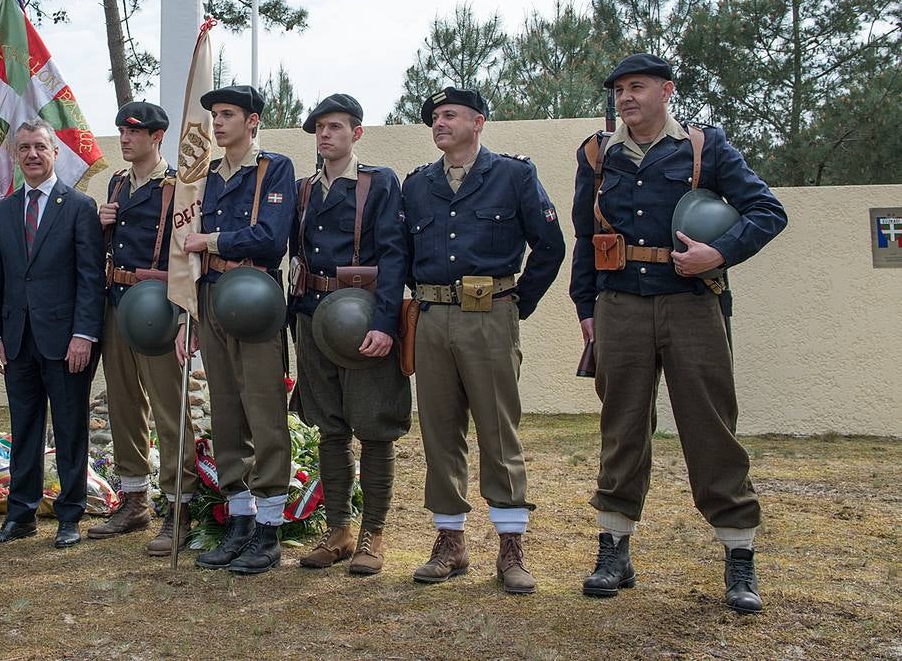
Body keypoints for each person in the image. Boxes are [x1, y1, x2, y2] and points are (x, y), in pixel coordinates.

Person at [569, 53, 787, 613]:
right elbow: (584, 235)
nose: (626, 98)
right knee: (621, 426)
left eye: (637, 87)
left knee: (710, 425)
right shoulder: (596, 155)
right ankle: (613, 548)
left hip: (693, 304)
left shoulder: (703, 147)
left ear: (667, 90)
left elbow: (767, 210)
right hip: (619, 307)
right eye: (619, 90)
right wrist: (585, 307)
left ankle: (739, 554)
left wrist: (720, 252)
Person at [402, 87, 565, 594]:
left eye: (450, 114)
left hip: (490, 314)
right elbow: (401, 253)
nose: (439, 122)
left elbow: (551, 246)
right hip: (431, 319)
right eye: (434, 117)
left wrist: (516, 304)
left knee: (498, 430)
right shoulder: (417, 185)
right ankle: (450, 541)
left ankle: (511, 546)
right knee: (439, 432)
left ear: (479, 121)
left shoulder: (514, 176)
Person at [289, 94, 410, 576]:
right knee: (330, 426)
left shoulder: (378, 183)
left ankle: (373, 534)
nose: (325, 135)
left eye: (335, 127)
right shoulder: (302, 190)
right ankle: (338, 529)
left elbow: (395, 254)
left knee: (375, 425)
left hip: (363, 318)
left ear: (356, 133)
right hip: (313, 316)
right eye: (319, 127)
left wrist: (385, 323)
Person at [178, 84, 296, 575]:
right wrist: (189, 313)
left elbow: (271, 238)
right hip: (212, 298)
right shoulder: (202, 178)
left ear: (252, 121)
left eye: (228, 114)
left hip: (254, 297)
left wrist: (212, 239)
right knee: (226, 410)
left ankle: (269, 530)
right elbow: (181, 249)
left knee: (263, 411)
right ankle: (241, 521)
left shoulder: (274, 169)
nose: (218, 123)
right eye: (214, 115)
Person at [0, 119, 104, 550]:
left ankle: (70, 515)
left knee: (70, 429)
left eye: (40, 147)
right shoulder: (3, 210)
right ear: (15, 155)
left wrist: (84, 334)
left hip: (66, 341)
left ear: (55, 152)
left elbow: (91, 278)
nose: (32, 154)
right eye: (24, 148)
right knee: (24, 428)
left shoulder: (79, 207)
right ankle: (21, 515)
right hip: (17, 341)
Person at [87, 102, 199, 555]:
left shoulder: (179, 188)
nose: (124, 138)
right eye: (121, 130)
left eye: (133, 131)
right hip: (116, 303)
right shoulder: (117, 183)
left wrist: (183, 316)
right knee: (123, 402)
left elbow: (189, 257)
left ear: (157, 136)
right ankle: (134, 499)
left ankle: (180, 506)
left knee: (169, 406)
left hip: (157, 307)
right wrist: (101, 226)